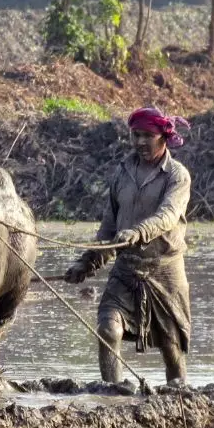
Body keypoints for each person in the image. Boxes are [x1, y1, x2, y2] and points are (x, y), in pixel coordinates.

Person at [65, 107, 193, 386]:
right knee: (107, 330)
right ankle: (113, 393)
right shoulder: (122, 173)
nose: (140, 142)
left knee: (171, 346)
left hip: (164, 270)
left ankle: (179, 396)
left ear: (163, 137)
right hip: (126, 269)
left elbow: (168, 216)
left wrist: (139, 232)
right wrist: (87, 262)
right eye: (136, 135)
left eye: (148, 136)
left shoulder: (177, 176)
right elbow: (109, 226)